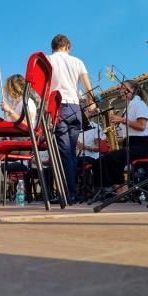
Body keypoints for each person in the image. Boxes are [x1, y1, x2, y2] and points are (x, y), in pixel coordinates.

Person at [48, 34, 95, 202]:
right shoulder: (78, 61)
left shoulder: (48, 60)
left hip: (58, 107)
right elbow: (88, 87)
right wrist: (92, 103)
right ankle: (71, 192)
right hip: (75, 108)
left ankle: (68, 193)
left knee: (64, 153)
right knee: (71, 153)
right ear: (67, 46)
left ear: (53, 46)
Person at [98, 79, 148, 192]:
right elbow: (130, 132)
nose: (120, 90)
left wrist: (121, 120)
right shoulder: (128, 107)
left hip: (141, 145)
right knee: (106, 158)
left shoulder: (139, 104)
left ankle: (122, 190)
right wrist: (116, 139)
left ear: (133, 90)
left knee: (113, 158)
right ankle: (114, 189)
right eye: (120, 88)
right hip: (131, 144)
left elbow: (141, 126)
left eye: (123, 88)